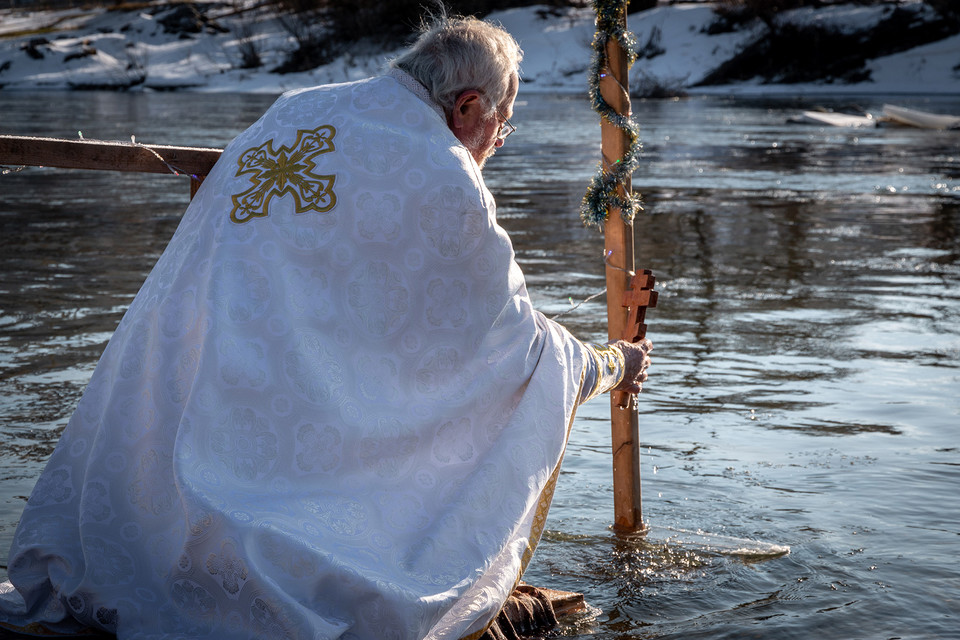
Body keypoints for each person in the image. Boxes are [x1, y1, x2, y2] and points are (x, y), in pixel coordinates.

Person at [0, 10, 651, 640]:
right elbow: (511, 350)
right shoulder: (443, 174)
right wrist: (612, 362)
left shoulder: (294, 111)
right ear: (470, 107)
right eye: (501, 127)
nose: (495, 145)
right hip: (278, 468)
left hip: (180, 435)